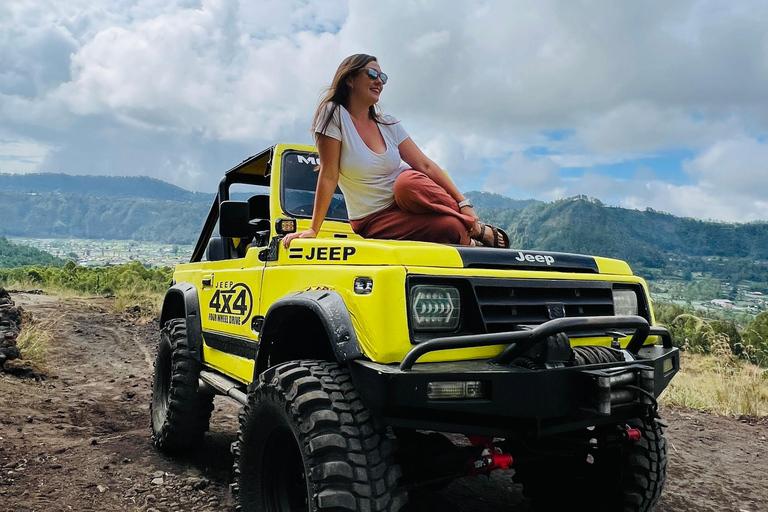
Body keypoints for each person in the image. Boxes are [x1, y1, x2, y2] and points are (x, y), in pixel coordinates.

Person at [282, 53, 509, 249]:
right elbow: (329, 174)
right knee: (449, 228)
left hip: (411, 196)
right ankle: (471, 238)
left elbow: (425, 165)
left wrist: (464, 203)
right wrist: (313, 229)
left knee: (407, 183)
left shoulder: (387, 124)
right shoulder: (334, 114)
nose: (379, 82)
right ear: (350, 79)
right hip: (374, 216)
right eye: (372, 74)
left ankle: (477, 229)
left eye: (383, 78)